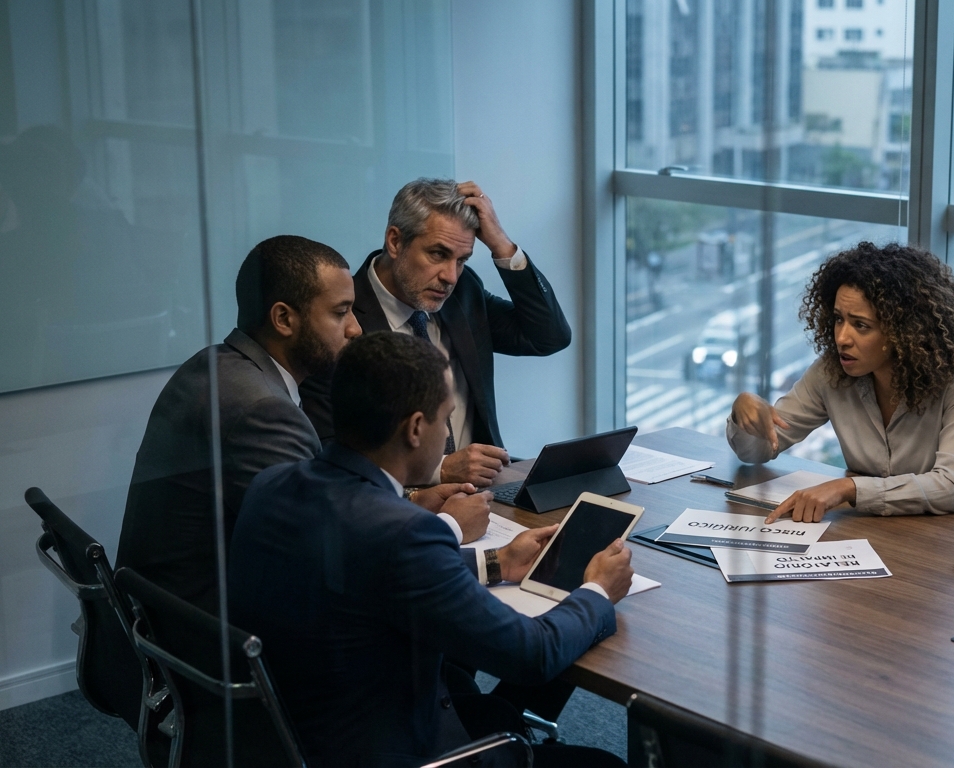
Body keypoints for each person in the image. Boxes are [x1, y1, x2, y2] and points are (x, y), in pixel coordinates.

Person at [228, 332, 631, 768]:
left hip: (296, 736)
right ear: (417, 428)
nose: (448, 435)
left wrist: (499, 561)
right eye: (445, 419)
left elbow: (360, 567)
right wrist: (597, 591)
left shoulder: (272, 486)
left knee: (491, 707)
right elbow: (532, 655)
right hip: (394, 749)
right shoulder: (404, 533)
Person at [117, 236, 488, 614]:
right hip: (215, 640)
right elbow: (333, 563)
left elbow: (320, 519)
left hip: (166, 618)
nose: (356, 329)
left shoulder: (213, 364)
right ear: (283, 319)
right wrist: (449, 529)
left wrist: (407, 504)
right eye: (341, 312)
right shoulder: (263, 412)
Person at [300, 178, 571, 489]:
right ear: (395, 241)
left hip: (484, 496)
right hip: (392, 508)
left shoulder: (462, 292)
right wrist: (440, 469)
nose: (450, 276)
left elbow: (549, 336)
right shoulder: (342, 317)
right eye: (438, 254)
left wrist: (502, 245)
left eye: (462, 260)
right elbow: (332, 454)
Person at [727, 242, 954, 523]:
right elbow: (758, 451)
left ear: (903, 332)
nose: (842, 338)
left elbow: (952, 489)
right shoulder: (831, 372)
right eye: (838, 320)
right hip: (876, 527)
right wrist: (743, 413)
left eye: (861, 325)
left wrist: (848, 488)